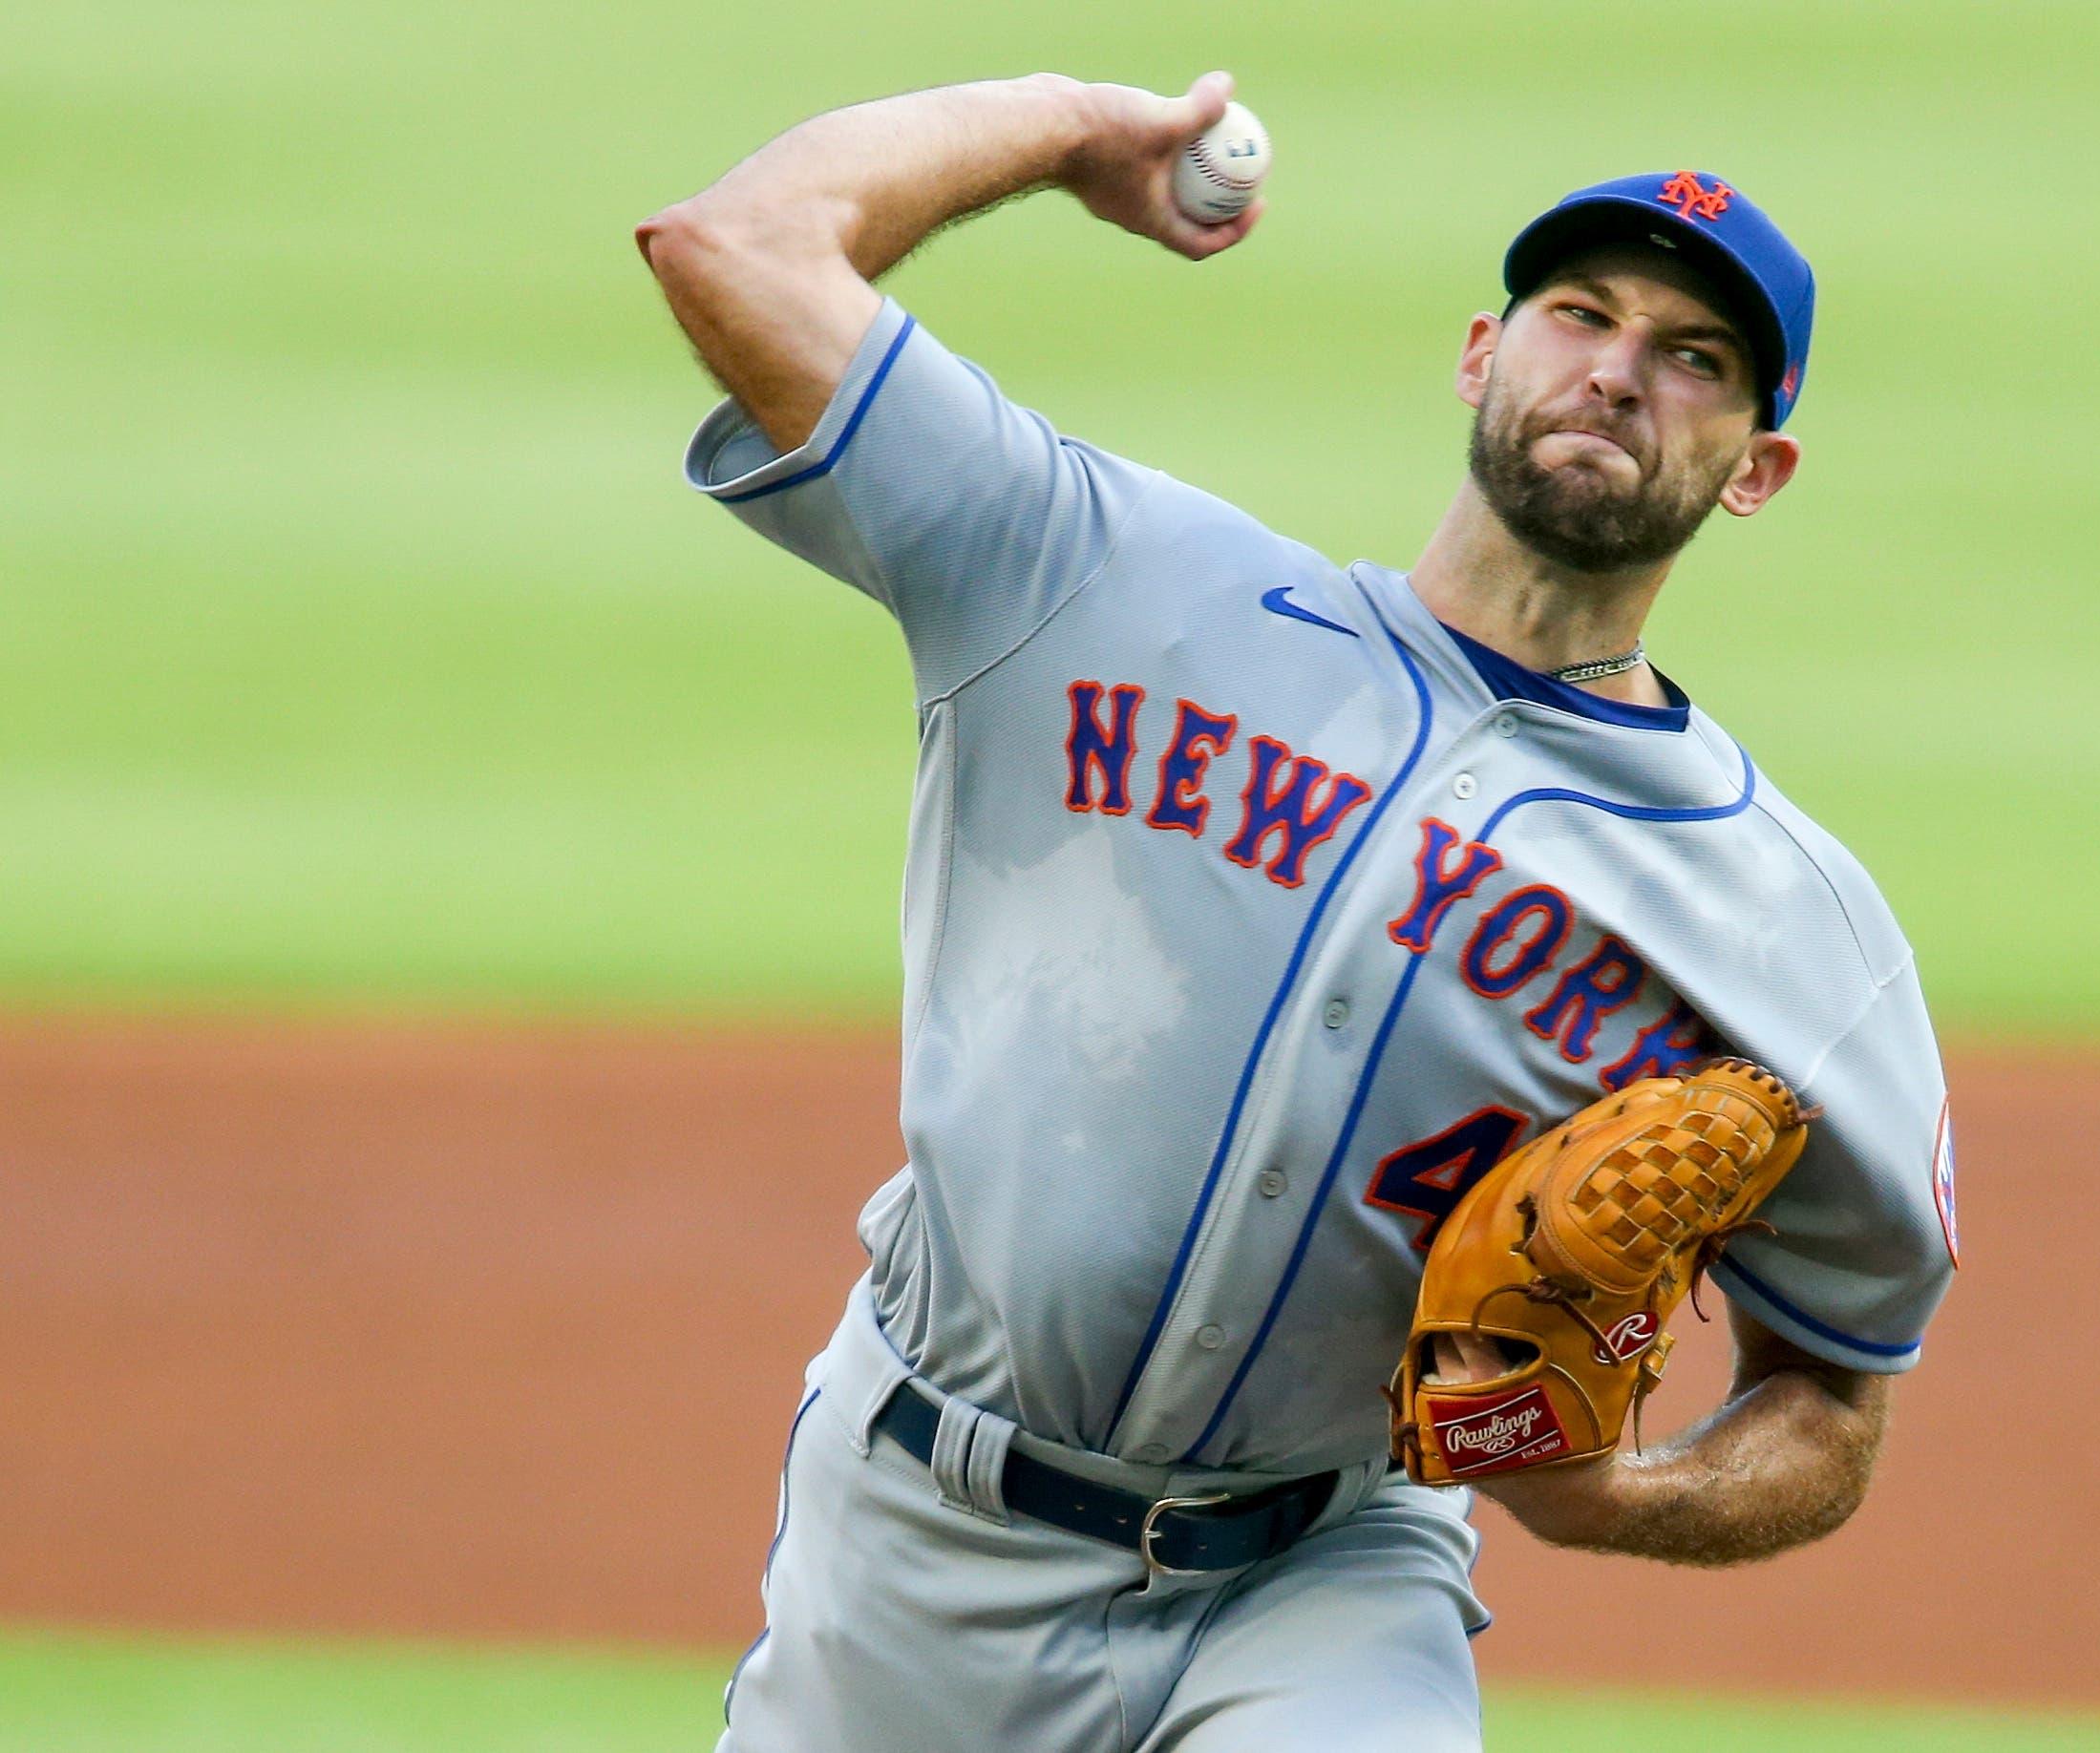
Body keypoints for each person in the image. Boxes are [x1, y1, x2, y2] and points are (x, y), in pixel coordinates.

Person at [638, 69, 1957, 1753]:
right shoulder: (1098, 581)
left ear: (1754, 467)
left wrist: (1616, 1497)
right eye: (1578, 314)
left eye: (1692, 357)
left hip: (1322, 1578)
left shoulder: (1798, 937)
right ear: (1483, 356)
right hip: (908, 1536)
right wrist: (1061, 127)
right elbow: (736, 245)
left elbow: (1833, 1398)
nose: (1616, 373)